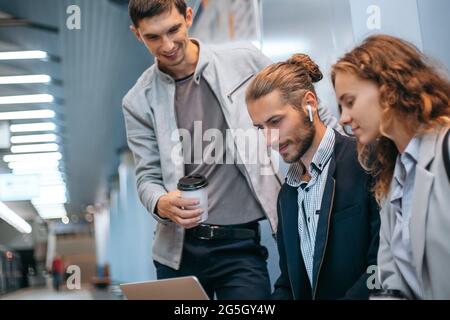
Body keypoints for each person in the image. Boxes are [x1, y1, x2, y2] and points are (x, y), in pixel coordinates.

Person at [122, 0, 339, 299]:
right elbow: (146, 176)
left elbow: (300, 97)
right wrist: (160, 202)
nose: (168, 44)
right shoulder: (137, 101)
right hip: (177, 253)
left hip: (241, 247)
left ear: (188, 17)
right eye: (153, 37)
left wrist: (344, 148)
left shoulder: (243, 60)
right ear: (137, 34)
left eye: (173, 30)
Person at [245, 53, 380, 300]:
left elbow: (382, 265)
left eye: (275, 121)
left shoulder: (365, 161)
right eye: (260, 128)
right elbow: (288, 285)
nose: (269, 138)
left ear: (309, 103)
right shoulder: (287, 195)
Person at [332, 34, 450, 299]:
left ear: (389, 88)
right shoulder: (392, 180)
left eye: (350, 102)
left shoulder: (446, 147)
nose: (344, 118)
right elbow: (392, 283)